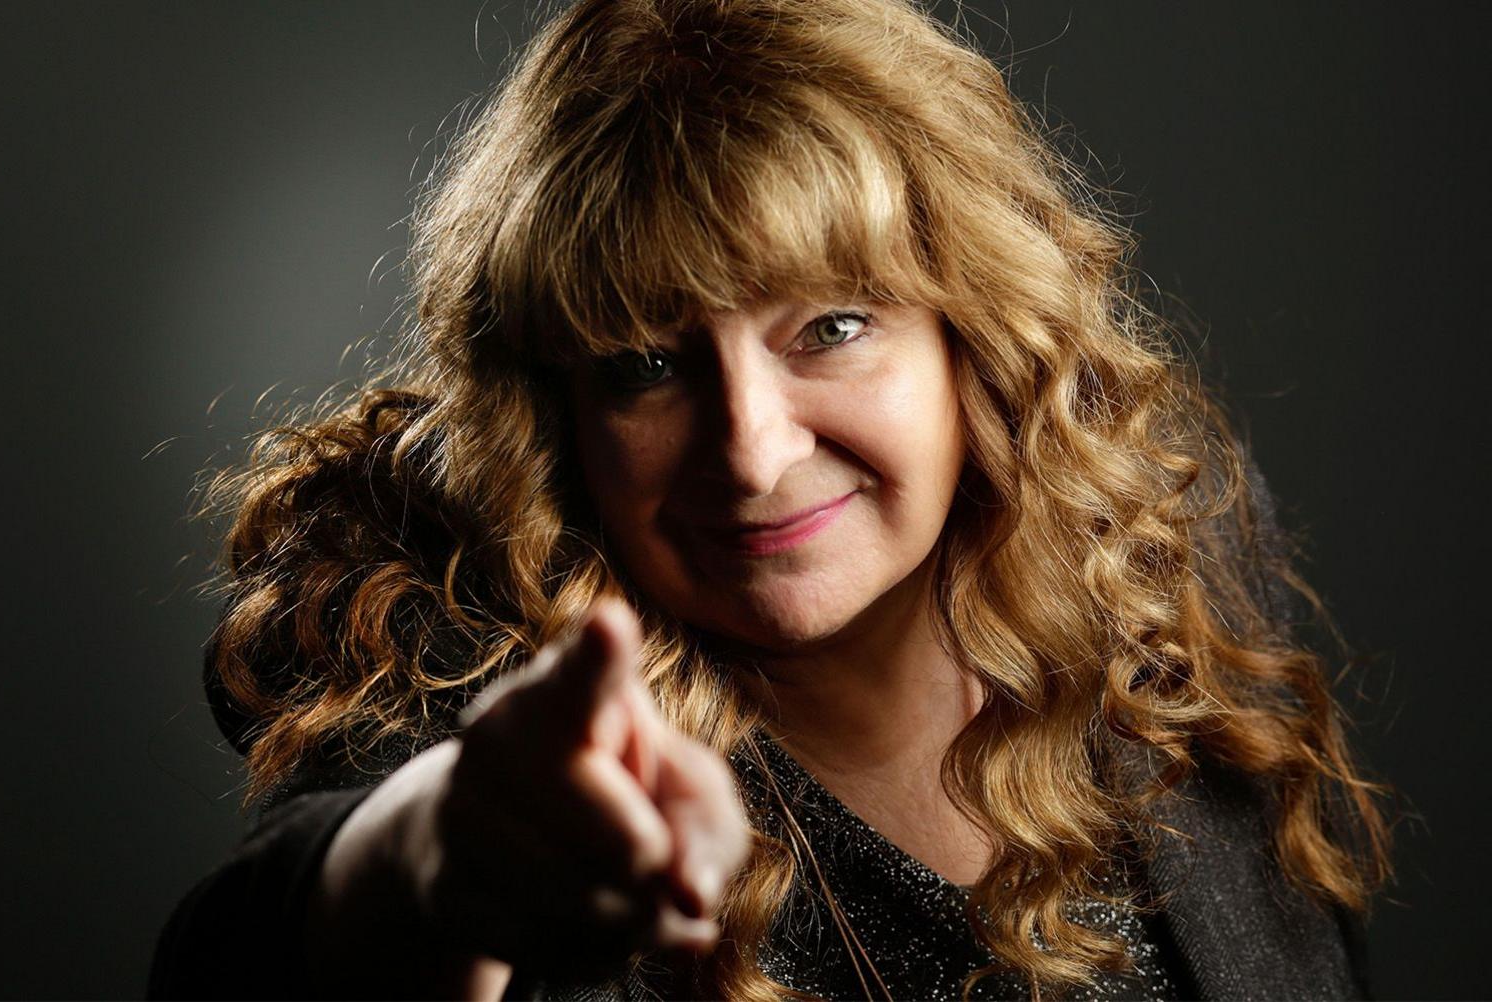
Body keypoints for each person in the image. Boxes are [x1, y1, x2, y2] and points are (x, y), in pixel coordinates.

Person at [150, 0, 1391, 998]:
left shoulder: (1170, 547)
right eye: (644, 367)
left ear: (977, 338)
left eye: (832, 328)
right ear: (559, 421)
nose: (749, 451)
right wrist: (443, 859)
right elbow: (252, 949)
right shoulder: (457, 666)